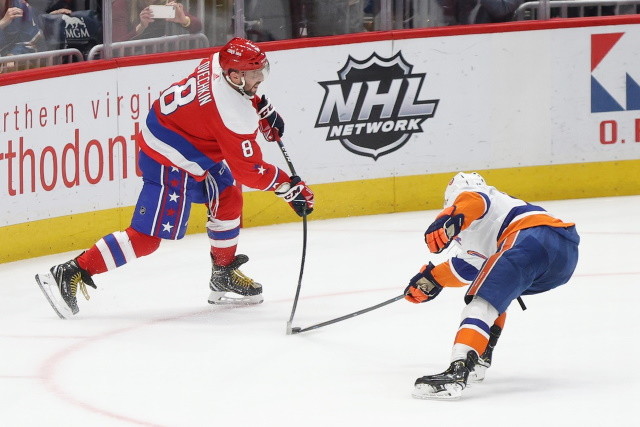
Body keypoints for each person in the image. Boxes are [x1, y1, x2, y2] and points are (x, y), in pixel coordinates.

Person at [35, 37, 314, 319]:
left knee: (227, 195)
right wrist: (288, 187)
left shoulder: (218, 61)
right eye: (254, 75)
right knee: (146, 239)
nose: (259, 79)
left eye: (259, 72)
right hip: (170, 157)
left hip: (182, 138)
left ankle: (223, 273)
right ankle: (72, 270)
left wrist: (258, 106)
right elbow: (249, 170)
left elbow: (233, 100)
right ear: (234, 75)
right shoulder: (231, 113)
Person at [404, 172, 579, 400]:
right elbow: (467, 267)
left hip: (532, 237)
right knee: (496, 291)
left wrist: (447, 218)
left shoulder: (479, 197)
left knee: (481, 302)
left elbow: (473, 201)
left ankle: (458, 370)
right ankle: (479, 358)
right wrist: (431, 280)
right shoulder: (483, 227)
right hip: (563, 259)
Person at [112, 0, 202, 42]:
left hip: (159, 57)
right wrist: (140, 27)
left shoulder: (166, 3)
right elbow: (116, 47)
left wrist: (184, 20)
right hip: (131, 61)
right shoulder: (121, 4)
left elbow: (198, 26)